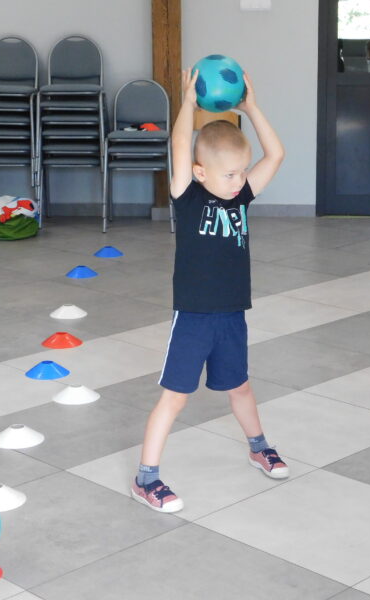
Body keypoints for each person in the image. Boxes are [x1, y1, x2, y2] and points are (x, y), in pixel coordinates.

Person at [130, 69, 288, 513]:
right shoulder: (188, 196)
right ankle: (146, 479)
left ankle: (259, 447)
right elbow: (181, 143)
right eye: (230, 174)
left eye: (242, 172)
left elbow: (276, 154)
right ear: (200, 172)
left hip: (231, 315)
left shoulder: (241, 197)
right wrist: (186, 103)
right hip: (194, 317)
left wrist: (250, 108)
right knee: (175, 397)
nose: (239, 181)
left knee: (240, 387)